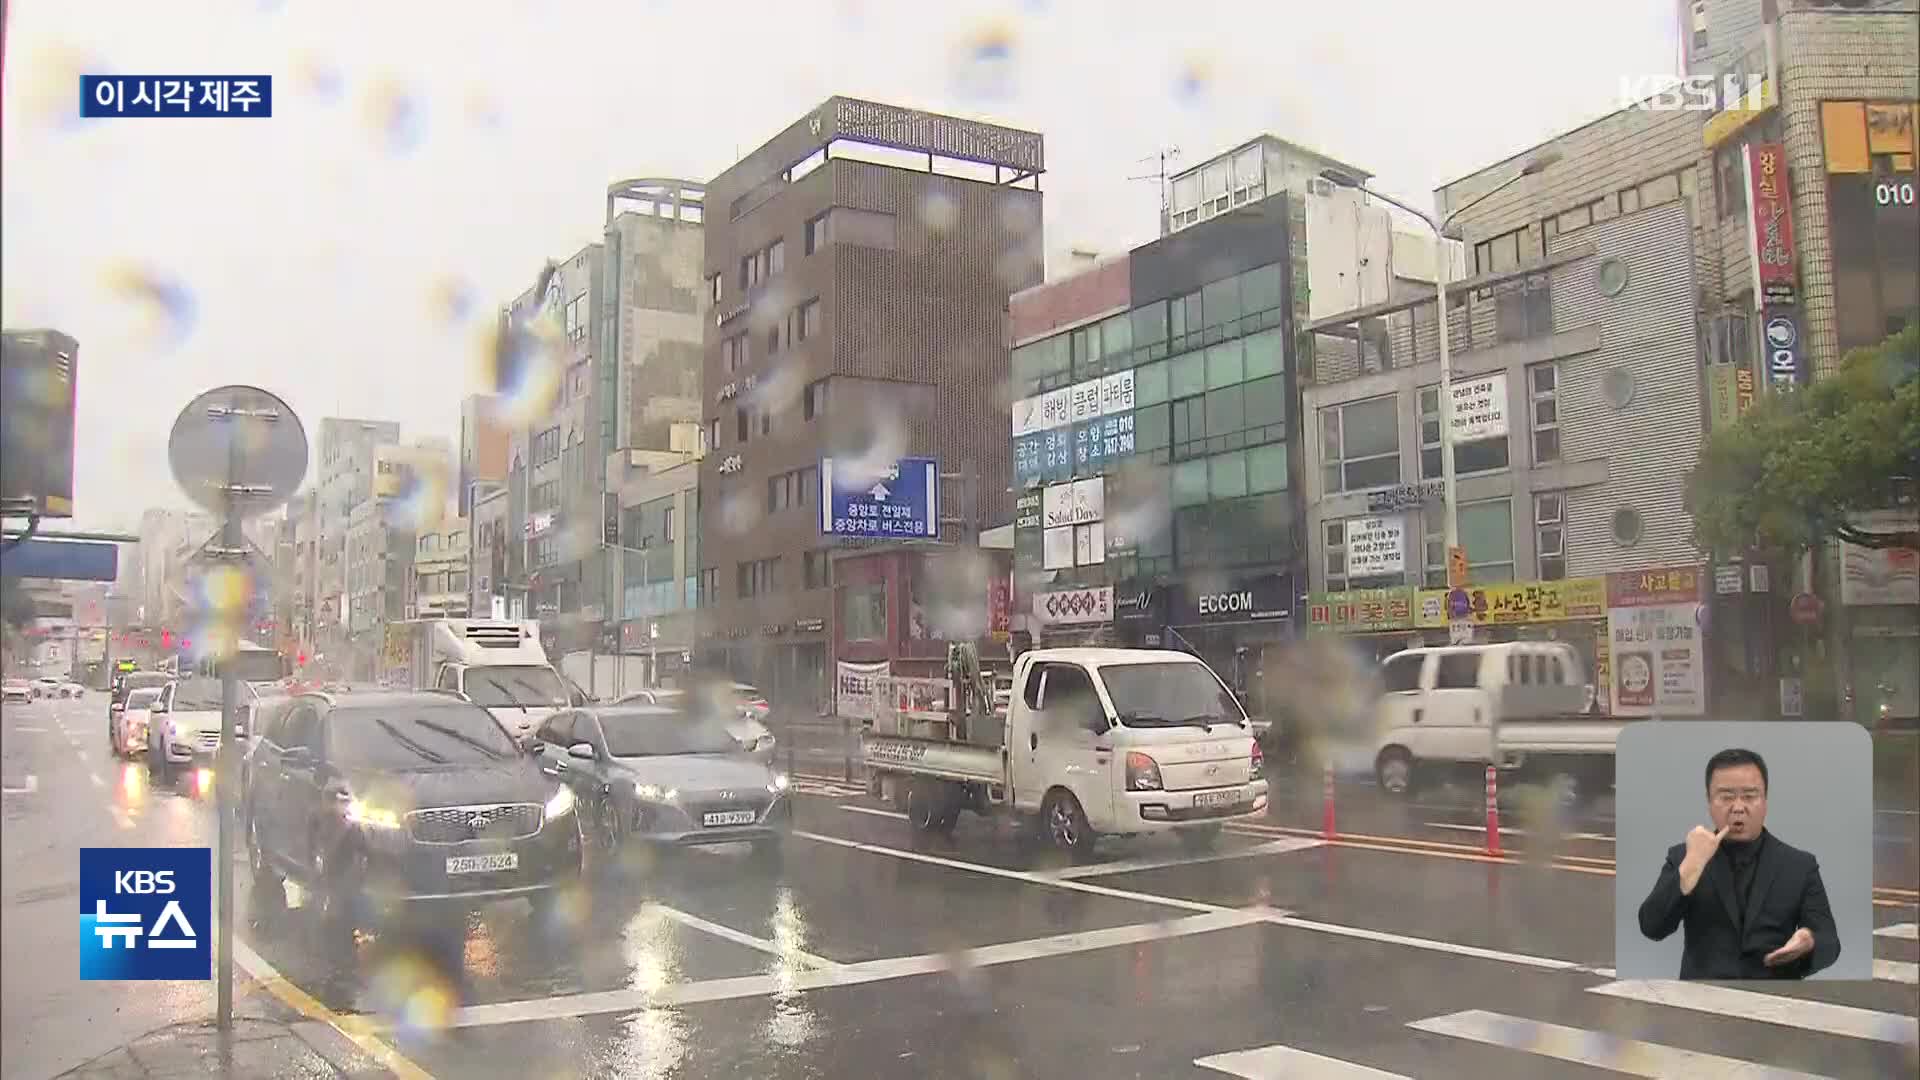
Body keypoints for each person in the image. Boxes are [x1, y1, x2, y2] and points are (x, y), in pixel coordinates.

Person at [1637, 747, 1840, 980]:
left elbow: (1830, 942)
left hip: (1775, 999)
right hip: (1702, 1000)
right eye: (1726, 797)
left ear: (1765, 801)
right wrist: (1690, 867)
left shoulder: (1799, 865)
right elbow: (1651, 927)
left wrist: (1809, 941)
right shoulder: (1685, 857)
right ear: (1709, 802)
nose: (1738, 807)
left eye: (1750, 796)